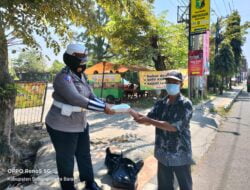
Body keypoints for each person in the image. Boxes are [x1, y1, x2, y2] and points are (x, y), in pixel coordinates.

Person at [45, 43, 115, 190]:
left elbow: (91, 96)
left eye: (85, 56)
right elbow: (76, 99)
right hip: (61, 125)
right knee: (66, 160)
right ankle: (68, 187)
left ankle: (89, 182)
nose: (84, 60)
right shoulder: (63, 77)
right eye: (80, 57)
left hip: (80, 123)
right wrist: (103, 108)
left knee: (84, 154)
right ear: (70, 57)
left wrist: (106, 105)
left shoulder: (82, 76)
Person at [129, 70, 194, 190]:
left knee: (185, 186)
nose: (170, 84)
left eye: (174, 82)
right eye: (168, 81)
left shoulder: (185, 104)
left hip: (180, 154)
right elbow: (148, 119)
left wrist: (149, 120)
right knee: (164, 187)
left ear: (181, 84)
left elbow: (173, 127)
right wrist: (130, 112)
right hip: (163, 154)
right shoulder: (161, 103)